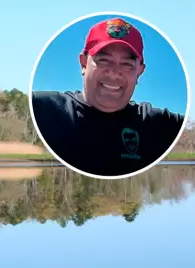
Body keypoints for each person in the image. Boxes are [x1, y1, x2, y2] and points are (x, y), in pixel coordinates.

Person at [31, 17, 185, 176]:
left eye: (127, 64)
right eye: (104, 60)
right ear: (84, 64)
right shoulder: (42, 109)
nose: (113, 71)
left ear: (139, 72)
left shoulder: (159, 125)